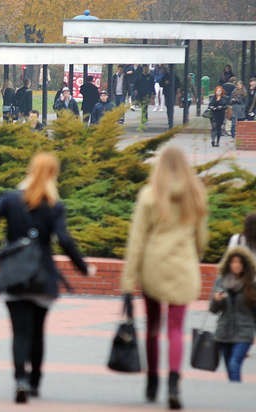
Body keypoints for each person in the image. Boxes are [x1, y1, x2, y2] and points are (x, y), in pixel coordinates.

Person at [0, 152, 95, 404]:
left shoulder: (11, 200)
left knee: (19, 332)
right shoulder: (54, 205)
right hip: (42, 275)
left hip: (14, 274)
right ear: (54, 174)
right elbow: (64, 240)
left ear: (30, 169)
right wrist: (83, 268)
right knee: (37, 331)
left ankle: (20, 379)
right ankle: (34, 382)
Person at [121, 146, 208, 410]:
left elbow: (137, 240)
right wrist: (192, 254)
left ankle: (152, 381)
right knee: (175, 328)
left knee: (153, 327)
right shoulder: (195, 195)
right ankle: (173, 383)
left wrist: (127, 280)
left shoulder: (150, 195)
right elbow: (202, 239)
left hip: (153, 266)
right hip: (183, 266)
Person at [209, 247, 256, 382]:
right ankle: (236, 393)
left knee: (234, 363)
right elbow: (213, 310)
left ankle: (238, 393)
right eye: (233, 262)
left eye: (240, 262)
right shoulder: (221, 281)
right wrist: (216, 301)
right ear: (228, 264)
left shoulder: (251, 284)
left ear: (245, 265)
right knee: (230, 368)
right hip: (224, 332)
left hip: (244, 332)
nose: (236, 265)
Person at [135, 65, 155, 129]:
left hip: (147, 94)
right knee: (143, 106)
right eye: (144, 68)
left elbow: (152, 85)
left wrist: (153, 93)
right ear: (143, 69)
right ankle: (144, 118)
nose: (146, 69)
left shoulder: (151, 77)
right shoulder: (139, 76)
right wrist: (135, 90)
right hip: (140, 94)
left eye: (147, 68)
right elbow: (136, 84)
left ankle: (144, 119)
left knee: (145, 106)